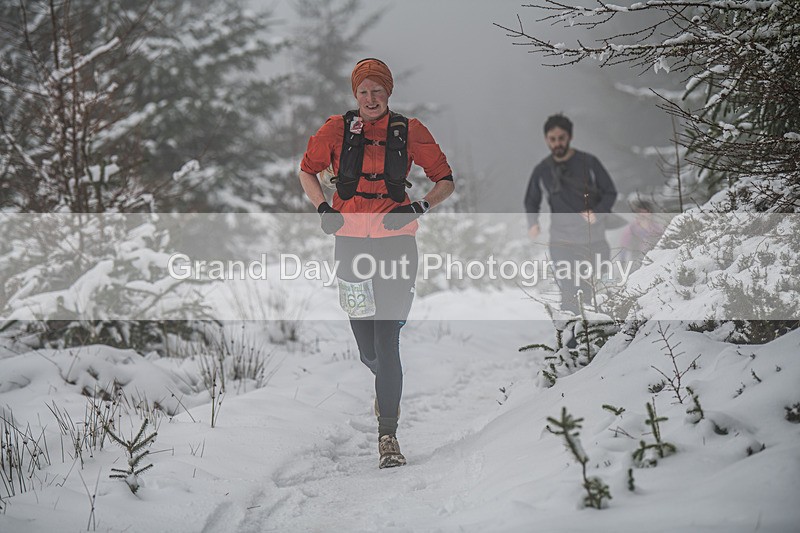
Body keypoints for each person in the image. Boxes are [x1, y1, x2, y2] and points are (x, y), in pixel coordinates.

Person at [298, 58, 455, 469]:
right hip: (349, 245)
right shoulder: (335, 129)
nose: (371, 98)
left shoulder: (410, 131)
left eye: (378, 91)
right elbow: (306, 170)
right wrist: (322, 209)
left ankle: (388, 435)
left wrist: (417, 206)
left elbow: (446, 180)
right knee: (367, 346)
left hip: (396, 247)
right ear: (356, 94)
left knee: (387, 341)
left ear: (389, 93)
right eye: (364, 91)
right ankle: (381, 378)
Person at [524, 113, 617, 315]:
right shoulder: (542, 170)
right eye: (552, 139)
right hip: (560, 241)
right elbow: (531, 200)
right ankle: (572, 343)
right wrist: (533, 223)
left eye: (561, 138)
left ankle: (599, 341)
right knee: (568, 292)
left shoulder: (589, 163)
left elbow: (610, 191)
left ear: (570, 137)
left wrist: (597, 213)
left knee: (592, 293)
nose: (557, 143)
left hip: (593, 240)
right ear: (546, 140)